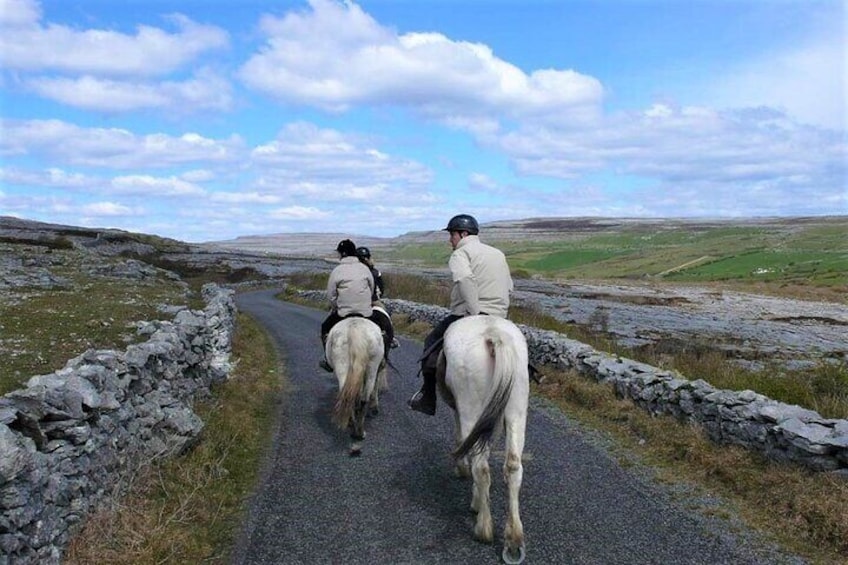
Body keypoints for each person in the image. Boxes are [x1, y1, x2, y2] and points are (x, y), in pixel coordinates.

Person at [408, 214, 514, 415]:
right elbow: (509, 286)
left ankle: (428, 399)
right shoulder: (498, 254)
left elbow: (465, 280)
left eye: (452, 235)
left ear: (463, 234)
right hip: (500, 317)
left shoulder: (460, 253)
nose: (450, 240)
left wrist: (474, 315)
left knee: (431, 344)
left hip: (468, 314)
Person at [319, 239, 375, 372]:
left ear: (342, 254)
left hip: (343, 313)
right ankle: (383, 352)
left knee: (325, 327)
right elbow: (371, 288)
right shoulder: (365, 269)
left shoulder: (337, 271)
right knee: (381, 327)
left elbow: (331, 295)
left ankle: (328, 360)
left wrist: (336, 306)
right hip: (365, 312)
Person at [356, 245, 397, 358]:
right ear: (367, 258)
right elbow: (381, 289)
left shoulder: (353, 271)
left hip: (354, 303)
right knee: (385, 314)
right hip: (371, 301)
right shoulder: (374, 272)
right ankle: (391, 337)